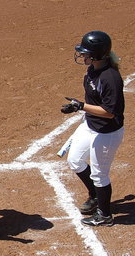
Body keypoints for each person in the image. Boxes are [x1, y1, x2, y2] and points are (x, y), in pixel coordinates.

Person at [61, 31, 124, 226]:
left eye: (86, 53)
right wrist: (78, 108)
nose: (83, 56)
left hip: (107, 132)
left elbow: (109, 112)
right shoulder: (92, 70)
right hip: (89, 125)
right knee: (75, 160)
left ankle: (105, 215)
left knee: (99, 174)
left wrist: (80, 106)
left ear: (96, 55)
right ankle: (96, 195)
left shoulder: (110, 78)